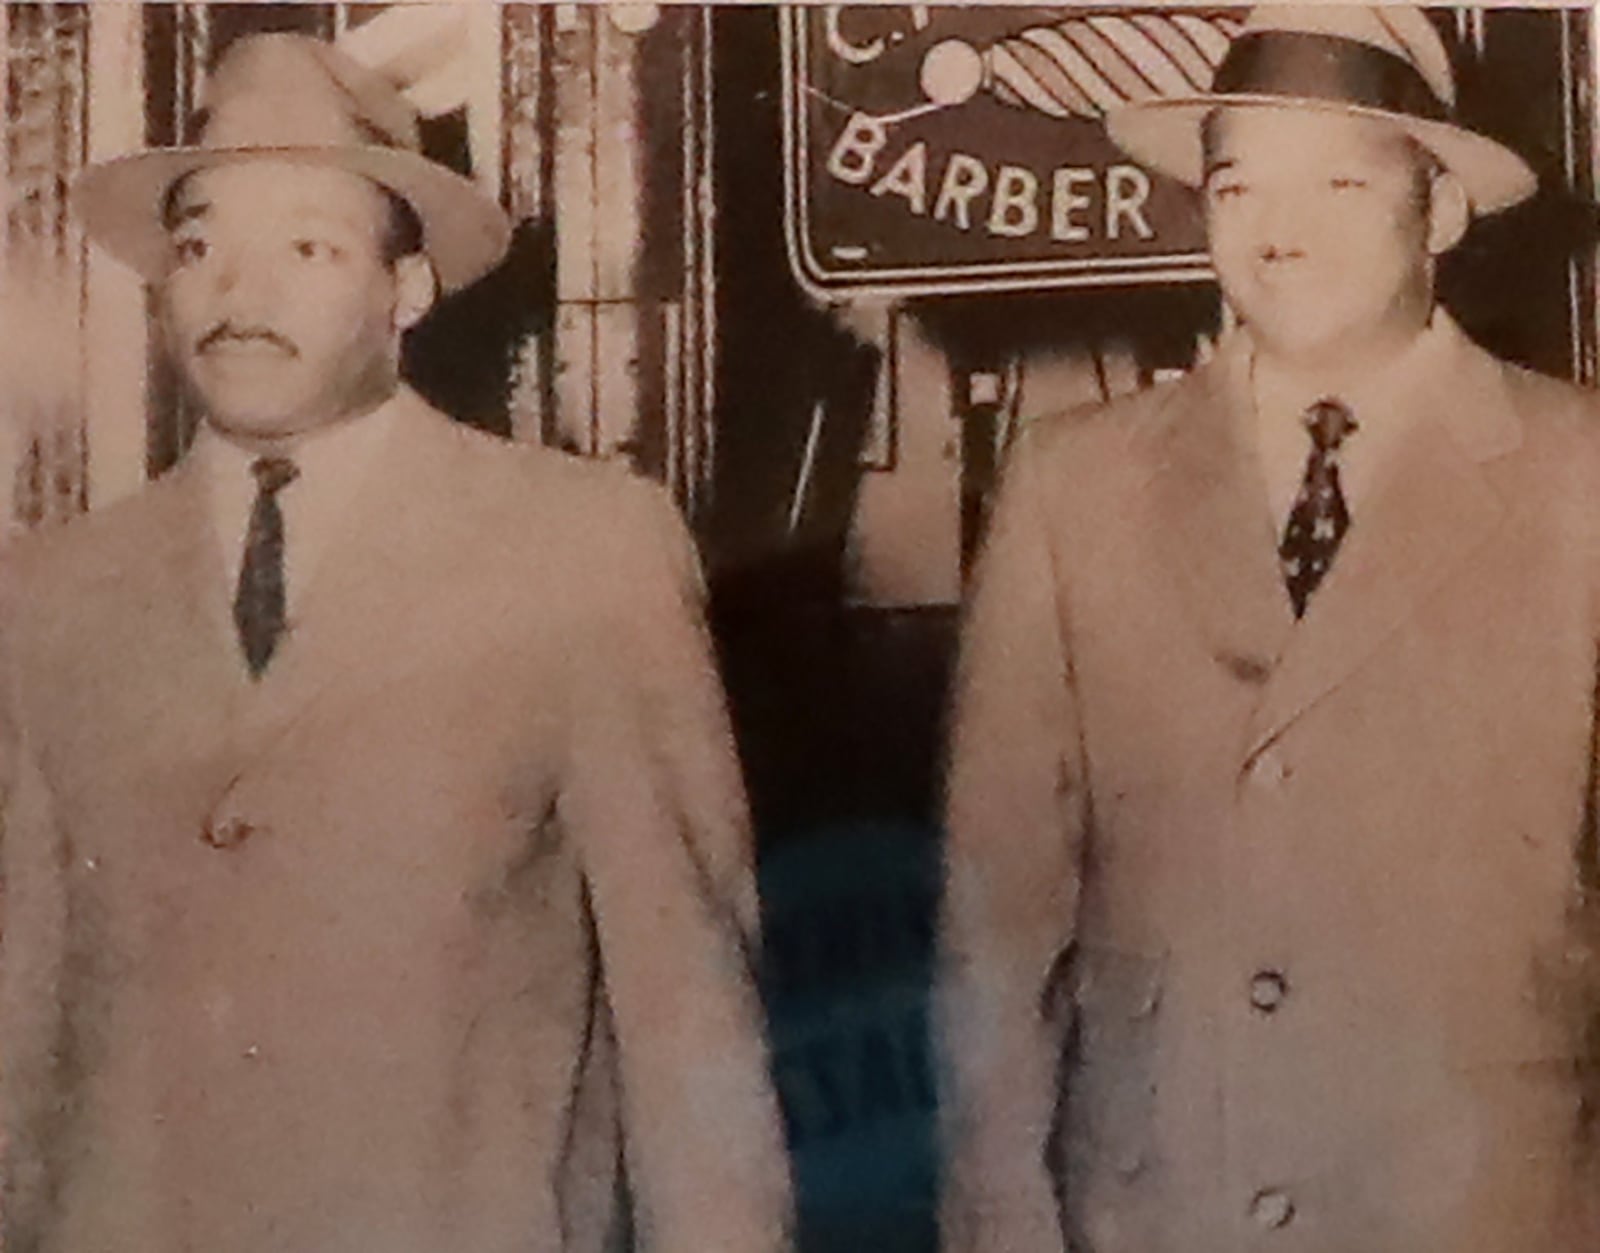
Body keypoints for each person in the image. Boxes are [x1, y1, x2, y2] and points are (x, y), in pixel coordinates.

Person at [0, 33, 791, 1253]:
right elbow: (21, 1020)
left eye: (306, 246)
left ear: (405, 292)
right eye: (202, 244)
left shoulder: (582, 552)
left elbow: (692, 1023)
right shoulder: (50, 595)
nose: (239, 295)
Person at [935, 7, 1600, 1252]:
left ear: (1439, 212)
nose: (1279, 232)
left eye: (1339, 182)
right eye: (1237, 186)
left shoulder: (1580, 480)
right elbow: (998, 922)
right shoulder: (1068, 485)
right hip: (1149, 1209)